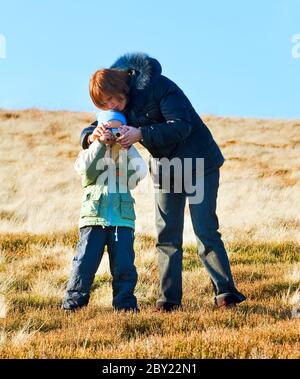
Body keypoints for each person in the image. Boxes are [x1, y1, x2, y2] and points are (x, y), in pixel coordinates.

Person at [80, 52, 246, 311]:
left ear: (120, 84)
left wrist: (141, 133)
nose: (112, 106)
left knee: (205, 231)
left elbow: (181, 126)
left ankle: (226, 295)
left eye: (112, 98)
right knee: (167, 236)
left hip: (198, 163)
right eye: (105, 104)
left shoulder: (159, 86)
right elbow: (93, 127)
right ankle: (169, 301)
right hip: (165, 169)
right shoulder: (117, 108)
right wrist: (92, 136)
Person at [62, 109, 148, 312]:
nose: (114, 134)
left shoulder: (126, 152)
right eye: (109, 128)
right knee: (84, 263)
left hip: (122, 219)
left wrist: (127, 145)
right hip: (93, 218)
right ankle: (73, 305)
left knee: (124, 266)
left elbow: (141, 173)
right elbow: (83, 168)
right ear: (100, 128)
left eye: (119, 130)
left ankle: (125, 305)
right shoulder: (90, 151)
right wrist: (98, 142)